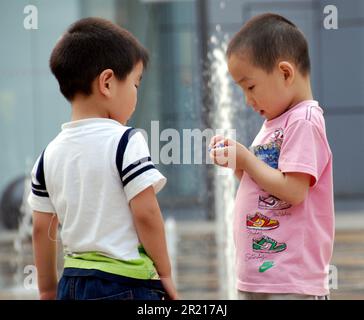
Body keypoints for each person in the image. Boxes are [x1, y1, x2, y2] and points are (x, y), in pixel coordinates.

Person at [28, 17, 178, 300]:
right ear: (107, 83)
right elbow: (146, 214)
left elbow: (39, 229)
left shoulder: (47, 156)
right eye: (135, 84)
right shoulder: (125, 141)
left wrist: (47, 289)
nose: (136, 95)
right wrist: (166, 274)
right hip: (125, 284)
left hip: (72, 284)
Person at [209, 13, 334, 300]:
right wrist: (237, 164)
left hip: (290, 280)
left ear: (285, 73)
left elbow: (293, 190)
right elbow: (264, 184)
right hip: (261, 277)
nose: (247, 100)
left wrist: (247, 160)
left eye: (250, 87)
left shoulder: (303, 120)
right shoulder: (276, 123)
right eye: (241, 90)